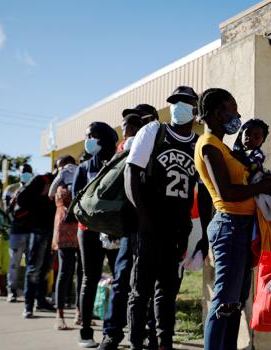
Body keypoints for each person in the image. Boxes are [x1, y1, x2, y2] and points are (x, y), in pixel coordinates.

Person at [124, 86, 210, 350]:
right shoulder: (154, 132)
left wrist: (204, 235)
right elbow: (131, 174)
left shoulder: (198, 143)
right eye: (174, 102)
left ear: (195, 111)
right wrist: (143, 216)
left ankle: (163, 343)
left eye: (184, 103)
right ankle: (136, 343)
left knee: (167, 292)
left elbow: (205, 192)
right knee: (141, 291)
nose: (178, 106)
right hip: (150, 227)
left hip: (178, 230)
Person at [194, 88, 271, 350]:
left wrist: (263, 181)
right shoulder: (208, 146)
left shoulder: (223, 147)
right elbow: (226, 193)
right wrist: (259, 188)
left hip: (242, 228)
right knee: (224, 302)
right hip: (229, 226)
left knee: (235, 302)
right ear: (218, 113)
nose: (238, 114)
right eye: (233, 108)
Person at [97, 104, 151, 350]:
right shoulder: (123, 150)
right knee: (121, 281)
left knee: (150, 284)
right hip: (131, 226)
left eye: (134, 123)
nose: (127, 129)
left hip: (155, 225)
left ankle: (148, 333)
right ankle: (111, 334)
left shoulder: (158, 144)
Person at [73, 121, 120, 348]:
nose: (88, 140)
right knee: (89, 278)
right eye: (86, 136)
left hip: (114, 232)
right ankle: (85, 330)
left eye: (92, 136)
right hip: (88, 231)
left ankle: (115, 328)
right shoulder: (83, 168)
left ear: (105, 138)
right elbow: (76, 205)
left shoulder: (119, 162)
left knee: (121, 279)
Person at [18, 168, 57, 318]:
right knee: (34, 268)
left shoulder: (65, 182)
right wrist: (41, 199)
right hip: (39, 230)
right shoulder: (42, 180)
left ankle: (41, 301)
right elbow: (22, 199)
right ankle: (28, 305)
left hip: (53, 231)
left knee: (46, 269)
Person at [49, 155, 79, 330]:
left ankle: (78, 311)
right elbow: (52, 193)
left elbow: (51, 194)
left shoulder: (76, 174)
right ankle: (60, 313)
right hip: (64, 228)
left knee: (81, 272)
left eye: (61, 166)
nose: (62, 170)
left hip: (78, 227)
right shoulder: (61, 180)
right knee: (65, 271)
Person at [4, 164, 33, 302]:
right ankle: (12, 290)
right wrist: (14, 199)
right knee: (14, 263)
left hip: (33, 231)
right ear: (19, 173)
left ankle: (30, 293)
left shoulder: (35, 187)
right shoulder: (11, 189)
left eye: (28, 172)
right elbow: (7, 211)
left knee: (31, 264)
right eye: (23, 172)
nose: (26, 174)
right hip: (16, 231)